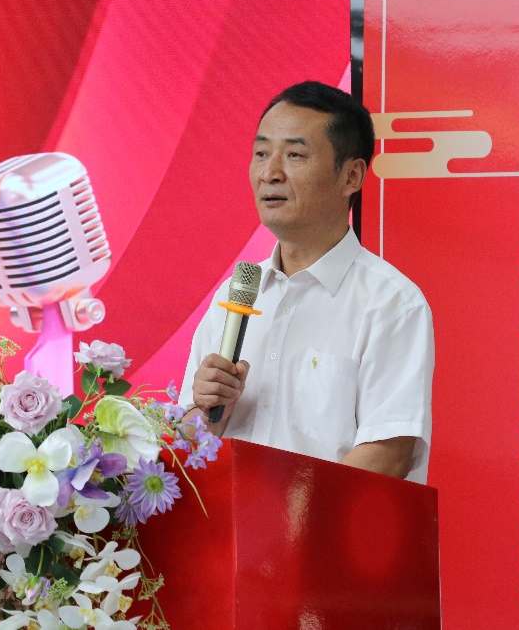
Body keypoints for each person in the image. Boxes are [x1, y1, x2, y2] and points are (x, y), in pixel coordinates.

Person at [179, 81, 434, 483]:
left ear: (351, 175)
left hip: (321, 523)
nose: (269, 173)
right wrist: (207, 413)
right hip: (230, 521)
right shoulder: (235, 294)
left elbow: (386, 454)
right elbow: (189, 440)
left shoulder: (391, 303)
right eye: (261, 153)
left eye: (295, 155)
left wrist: (285, 515)